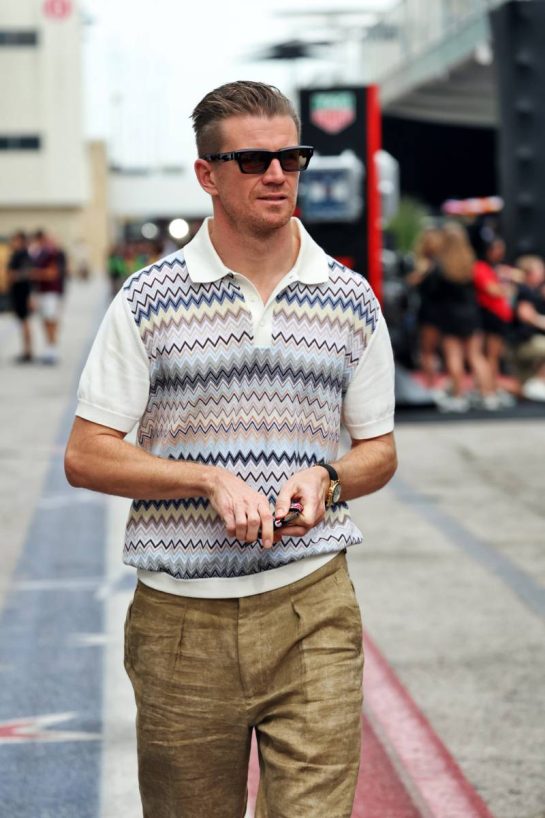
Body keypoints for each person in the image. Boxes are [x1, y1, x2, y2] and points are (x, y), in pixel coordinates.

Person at [64, 80, 397, 818]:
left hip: (313, 608)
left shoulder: (350, 298)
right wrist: (208, 480)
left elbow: (377, 449)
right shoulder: (147, 300)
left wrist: (327, 478)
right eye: (252, 160)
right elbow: (86, 455)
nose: (276, 174)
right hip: (181, 625)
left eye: (290, 157)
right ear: (206, 174)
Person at [431, 222, 498, 412]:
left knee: (454, 356)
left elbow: (433, 293)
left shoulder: (440, 266)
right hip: (471, 314)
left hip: (450, 315)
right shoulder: (472, 263)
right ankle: (488, 395)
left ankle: (459, 397)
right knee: (476, 356)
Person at [511, 254, 545, 401]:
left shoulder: (534, 291)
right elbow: (526, 315)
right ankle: (539, 382)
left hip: (527, 341)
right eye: (540, 270)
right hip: (522, 342)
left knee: (522, 386)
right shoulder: (524, 290)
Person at [29, 229, 64, 364]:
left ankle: (52, 349)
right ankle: (49, 348)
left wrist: (36, 274)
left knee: (51, 320)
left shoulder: (54, 254)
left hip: (51, 292)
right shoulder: (40, 254)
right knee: (44, 320)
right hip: (42, 291)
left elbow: (52, 274)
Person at [6, 231, 34, 363]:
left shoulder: (23, 255)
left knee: (25, 322)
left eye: (15, 240)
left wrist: (13, 275)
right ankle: (26, 350)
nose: (13, 242)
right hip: (17, 292)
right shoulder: (17, 254)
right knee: (22, 322)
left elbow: (27, 273)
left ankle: (28, 351)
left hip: (23, 292)